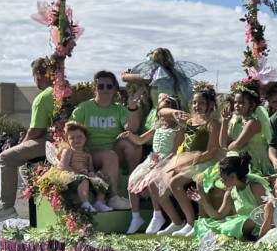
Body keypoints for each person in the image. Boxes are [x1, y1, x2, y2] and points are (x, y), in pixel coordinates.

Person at [0, 59, 57, 225]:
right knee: (23, 164)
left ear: (38, 75)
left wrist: (22, 144)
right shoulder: (64, 92)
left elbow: (36, 131)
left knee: (5, 157)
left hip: (50, 143)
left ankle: (6, 207)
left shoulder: (44, 97)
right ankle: (38, 199)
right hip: (65, 141)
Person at [154, 87, 223, 237]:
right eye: (195, 103)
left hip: (205, 161)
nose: (197, 106)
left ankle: (192, 222)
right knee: (155, 181)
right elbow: (160, 112)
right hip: (185, 158)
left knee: (175, 182)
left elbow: (211, 151)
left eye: (202, 102)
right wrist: (174, 112)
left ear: (210, 104)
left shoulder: (213, 124)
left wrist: (187, 164)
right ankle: (177, 221)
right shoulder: (190, 120)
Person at [69, 70, 143, 210]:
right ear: (94, 88)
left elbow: (131, 128)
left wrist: (132, 107)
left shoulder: (119, 109)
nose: (105, 90)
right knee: (109, 156)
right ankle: (113, 197)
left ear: (115, 88)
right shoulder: (84, 108)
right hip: (89, 154)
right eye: (100, 86)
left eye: (109, 86)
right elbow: (69, 130)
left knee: (132, 144)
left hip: (113, 152)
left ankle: (135, 186)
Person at [119, 94, 184, 234]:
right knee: (132, 180)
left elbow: (176, 151)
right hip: (152, 159)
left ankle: (157, 214)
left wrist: (161, 162)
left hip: (168, 161)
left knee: (151, 180)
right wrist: (129, 135)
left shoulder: (179, 129)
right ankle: (135, 216)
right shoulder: (157, 127)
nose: (161, 114)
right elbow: (141, 140)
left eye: (164, 110)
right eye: (159, 110)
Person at [192, 154, 267, 240]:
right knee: (210, 223)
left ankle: (225, 233)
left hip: (258, 226)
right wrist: (203, 202)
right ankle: (229, 234)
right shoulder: (230, 192)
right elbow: (218, 216)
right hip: (240, 224)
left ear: (232, 176)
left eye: (221, 175)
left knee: (246, 222)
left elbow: (267, 212)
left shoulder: (255, 187)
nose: (220, 179)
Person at [45, 122, 111, 212]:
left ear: (85, 138)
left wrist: (91, 173)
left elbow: (90, 168)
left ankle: (99, 202)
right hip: (69, 176)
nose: (76, 140)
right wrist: (79, 173)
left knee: (102, 177)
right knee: (82, 178)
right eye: (72, 138)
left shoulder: (87, 154)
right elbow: (64, 166)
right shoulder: (68, 151)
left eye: (80, 137)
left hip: (84, 175)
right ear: (67, 140)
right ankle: (85, 203)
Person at [219, 83, 274, 178]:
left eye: (241, 103)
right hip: (236, 159)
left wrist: (229, 145)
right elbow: (223, 145)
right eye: (235, 102)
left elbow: (237, 145)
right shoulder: (235, 120)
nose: (236, 105)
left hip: (251, 162)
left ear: (252, 105)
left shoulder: (253, 122)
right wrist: (224, 122)